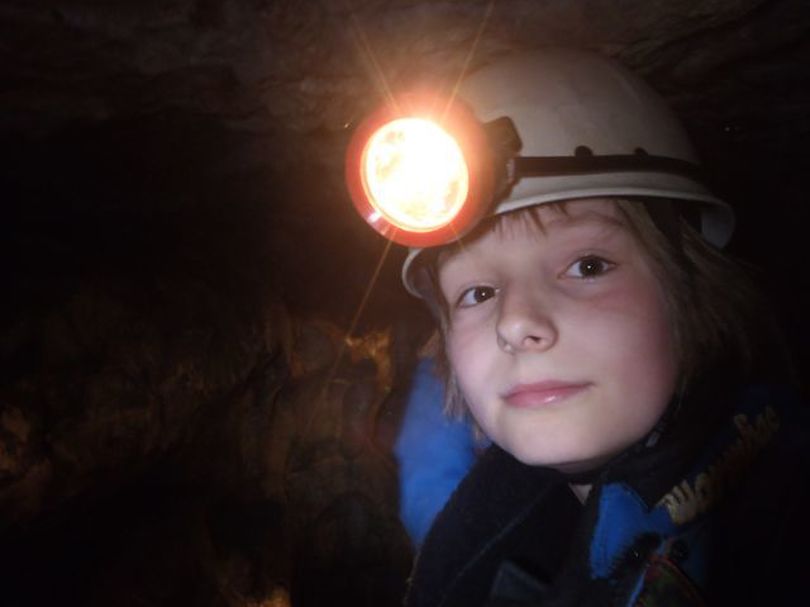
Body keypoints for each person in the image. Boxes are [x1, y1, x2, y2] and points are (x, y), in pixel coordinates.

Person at [347, 49, 810, 605]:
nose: (515, 323)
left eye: (588, 266)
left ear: (692, 289)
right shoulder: (479, 549)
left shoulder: (786, 525)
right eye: (478, 293)